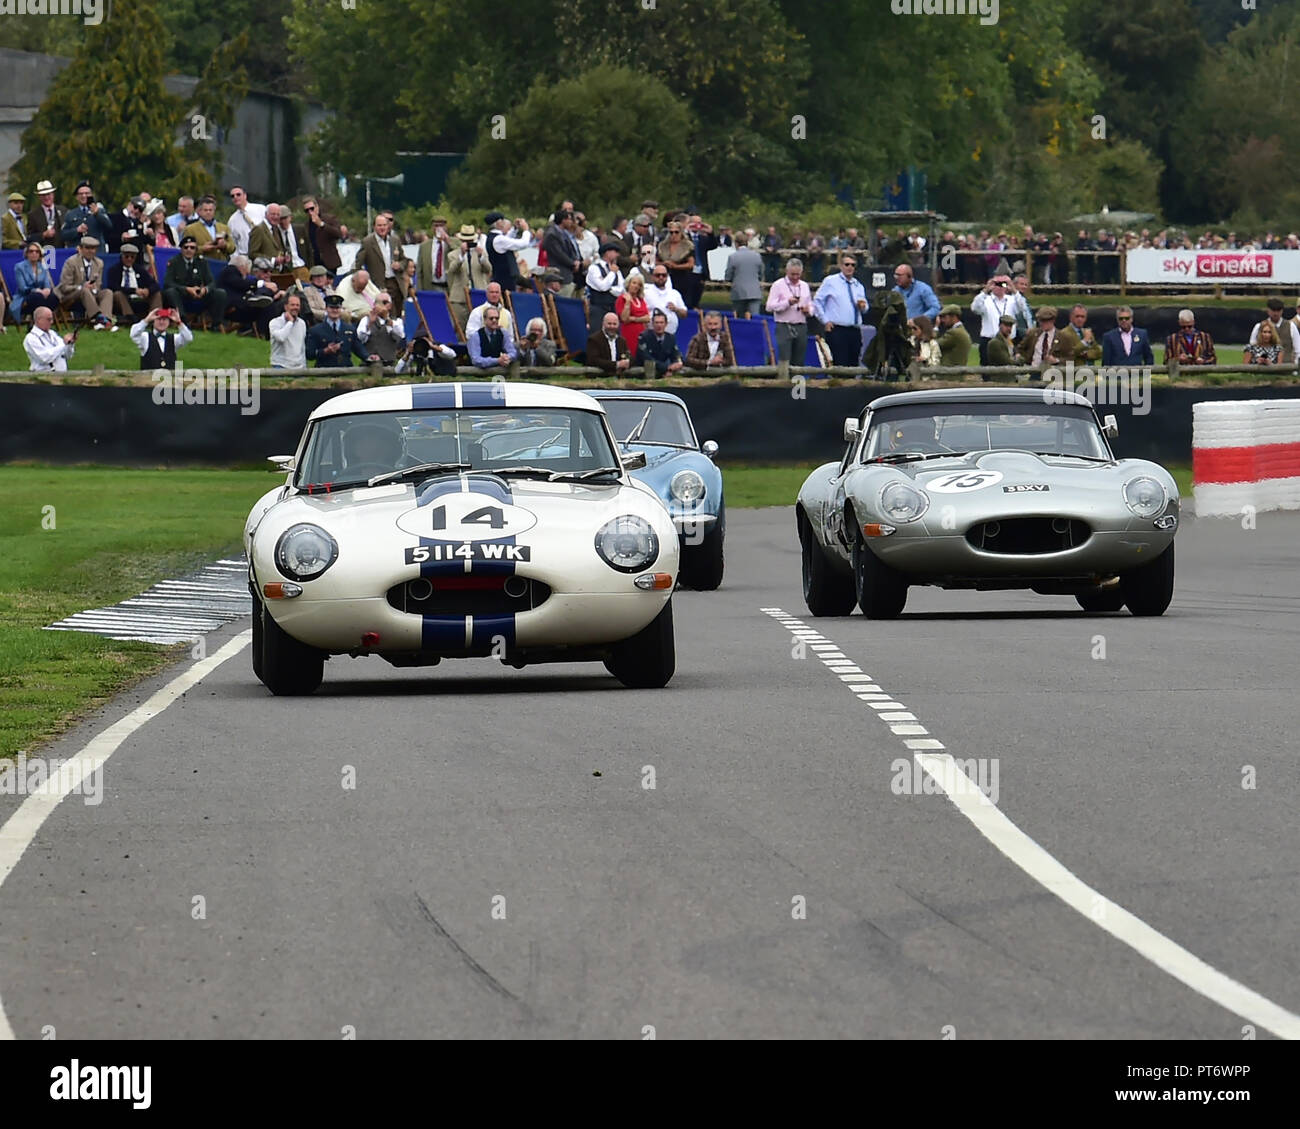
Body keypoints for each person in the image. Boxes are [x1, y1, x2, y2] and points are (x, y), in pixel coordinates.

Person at [812, 253, 869, 367]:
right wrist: (825, 320)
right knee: (839, 363)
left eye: (853, 265)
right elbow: (817, 301)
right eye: (847, 264)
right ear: (841, 266)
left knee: (853, 364)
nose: (850, 267)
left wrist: (864, 307)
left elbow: (865, 307)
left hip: (854, 330)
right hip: (837, 329)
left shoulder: (858, 285)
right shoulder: (831, 281)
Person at [162, 234, 226, 327]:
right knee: (170, 292)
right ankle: (183, 321)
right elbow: (168, 283)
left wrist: (205, 289)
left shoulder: (201, 262)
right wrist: (186, 289)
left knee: (220, 293)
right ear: (181, 249)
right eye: (186, 247)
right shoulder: (174, 262)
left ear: (195, 250)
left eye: (192, 248)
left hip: (199, 295)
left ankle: (216, 324)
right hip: (182, 295)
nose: (189, 250)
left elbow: (211, 282)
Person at [56, 235, 116, 330]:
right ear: (81, 249)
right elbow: (64, 286)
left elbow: (98, 284)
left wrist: (94, 289)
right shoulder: (71, 262)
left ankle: (105, 321)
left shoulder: (99, 263)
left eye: (93, 248)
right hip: (70, 294)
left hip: (90, 294)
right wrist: (81, 287)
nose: (90, 251)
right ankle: (99, 319)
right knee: (84, 290)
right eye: (87, 248)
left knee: (107, 292)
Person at [766, 257, 813, 365]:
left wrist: (808, 310)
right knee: (784, 359)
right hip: (784, 325)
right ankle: (783, 381)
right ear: (787, 272)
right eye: (792, 274)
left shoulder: (805, 286)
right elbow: (769, 307)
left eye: (798, 274)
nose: (795, 277)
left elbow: (811, 304)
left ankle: (797, 381)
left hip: (801, 325)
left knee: (799, 360)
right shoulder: (778, 285)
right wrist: (787, 303)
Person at [446, 223, 491, 331]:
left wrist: (481, 257)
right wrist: (461, 255)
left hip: (478, 294)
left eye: (471, 241)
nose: (468, 244)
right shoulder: (453, 255)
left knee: (480, 326)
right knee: (459, 327)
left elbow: (488, 269)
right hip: (459, 298)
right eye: (466, 241)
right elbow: (452, 270)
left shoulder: (481, 253)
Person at [307, 294, 368, 367]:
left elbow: (359, 349)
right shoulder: (315, 330)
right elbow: (309, 354)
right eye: (332, 308)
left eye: (337, 308)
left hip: (346, 372)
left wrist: (369, 357)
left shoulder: (350, 329)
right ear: (326, 309)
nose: (335, 310)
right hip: (324, 373)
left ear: (341, 309)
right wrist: (325, 351)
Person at [106, 242, 162, 322]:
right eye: (127, 256)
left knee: (157, 294)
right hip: (124, 298)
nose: (129, 259)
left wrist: (148, 290)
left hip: (140, 297)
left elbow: (155, 284)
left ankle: (156, 318)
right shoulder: (114, 270)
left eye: (132, 257)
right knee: (118, 294)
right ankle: (130, 317)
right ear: (122, 256)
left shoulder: (139, 269)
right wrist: (133, 290)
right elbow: (112, 286)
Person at [970, 274, 1017, 364]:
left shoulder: (1012, 300)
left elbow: (1023, 308)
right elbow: (974, 308)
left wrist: (1013, 288)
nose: (1000, 287)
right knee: (987, 370)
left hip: (1008, 339)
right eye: (997, 284)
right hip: (988, 340)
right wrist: (985, 290)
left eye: (1002, 284)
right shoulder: (985, 300)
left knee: (1009, 368)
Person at [10, 241, 58, 324]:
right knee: (37, 296)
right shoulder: (19, 267)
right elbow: (22, 288)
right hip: (25, 296)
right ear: (27, 254)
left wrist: (47, 289)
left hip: (41, 295)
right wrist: (36, 290)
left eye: (37, 251)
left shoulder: (42, 267)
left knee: (53, 297)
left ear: (40, 254)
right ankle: (37, 323)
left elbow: (47, 284)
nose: (34, 253)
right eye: (31, 251)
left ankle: (45, 322)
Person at [483, 212, 532, 292]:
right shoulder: (499, 240)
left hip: (499, 277)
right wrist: (526, 230)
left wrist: (515, 228)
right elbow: (523, 243)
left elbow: (507, 239)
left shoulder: (492, 237)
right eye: (502, 220)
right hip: (506, 280)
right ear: (498, 223)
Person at [586, 241, 626, 333]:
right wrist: (612, 273)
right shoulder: (594, 268)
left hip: (613, 307)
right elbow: (602, 287)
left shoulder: (616, 270)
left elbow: (622, 289)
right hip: (598, 307)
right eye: (615, 252)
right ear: (607, 253)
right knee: (597, 334)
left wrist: (611, 289)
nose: (617, 254)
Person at [356, 293, 406, 366]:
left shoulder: (397, 321)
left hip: (389, 363)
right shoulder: (366, 319)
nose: (381, 305)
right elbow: (360, 339)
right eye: (378, 302)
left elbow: (401, 335)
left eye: (384, 302)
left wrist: (387, 320)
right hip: (369, 364)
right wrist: (369, 324)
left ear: (390, 305)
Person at [60, 181, 114, 248]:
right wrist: (76, 230)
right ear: (77, 197)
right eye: (81, 194)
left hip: (97, 251)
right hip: (78, 252)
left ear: (91, 195)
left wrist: (97, 214)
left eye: (87, 193)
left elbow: (109, 226)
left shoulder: (100, 210)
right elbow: (63, 234)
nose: (84, 196)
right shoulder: (70, 214)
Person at [466, 306, 518, 375]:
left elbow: (512, 351)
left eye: (496, 318)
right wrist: (497, 361)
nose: (494, 320)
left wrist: (507, 357)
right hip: (478, 374)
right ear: (484, 320)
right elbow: (476, 360)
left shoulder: (503, 333)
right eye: (491, 318)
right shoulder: (476, 336)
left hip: (498, 374)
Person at [299, 196, 343, 275]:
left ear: (317, 207)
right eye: (306, 210)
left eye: (312, 208)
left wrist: (322, 225)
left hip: (329, 261)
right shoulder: (306, 225)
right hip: (314, 262)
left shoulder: (329, 219)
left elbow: (338, 234)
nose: (310, 212)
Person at [24, 305, 77, 371]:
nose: (51, 322)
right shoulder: (31, 338)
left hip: (62, 376)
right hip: (42, 377)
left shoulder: (53, 334)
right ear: (39, 320)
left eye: (52, 319)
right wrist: (64, 344)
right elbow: (44, 358)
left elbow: (67, 355)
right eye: (49, 319)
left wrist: (70, 344)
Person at [1247, 298, 1300, 363]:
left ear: (1282, 311)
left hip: (1286, 368)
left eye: (1278, 310)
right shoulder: (1258, 326)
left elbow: (1298, 350)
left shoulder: (1291, 326)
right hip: (1262, 368)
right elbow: (1251, 349)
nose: (1276, 313)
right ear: (1268, 310)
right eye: (1273, 310)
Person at [657, 220, 696, 306]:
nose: (673, 235)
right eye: (671, 232)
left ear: (681, 233)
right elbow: (655, 261)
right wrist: (664, 264)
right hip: (664, 278)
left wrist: (676, 266)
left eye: (676, 232)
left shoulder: (688, 246)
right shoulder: (662, 246)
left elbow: (691, 264)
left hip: (682, 279)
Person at [183, 195, 234, 262]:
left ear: (214, 211)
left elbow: (232, 248)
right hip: (201, 265)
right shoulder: (190, 229)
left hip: (221, 265)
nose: (208, 212)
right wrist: (202, 249)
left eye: (210, 210)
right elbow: (184, 250)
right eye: (205, 210)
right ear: (200, 212)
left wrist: (225, 245)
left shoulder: (224, 228)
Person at [636, 310, 684, 377]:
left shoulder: (670, 338)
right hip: (646, 369)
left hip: (666, 370)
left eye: (661, 323)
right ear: (652, 324)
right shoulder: (644, 337)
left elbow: (676, 354)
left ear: (666, 324)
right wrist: (666, 368)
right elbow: (646, 358)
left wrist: (676, 364)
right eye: (656, 323)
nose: (659, 325)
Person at [725, 237, 764, 318]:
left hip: (739, 291)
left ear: (736, 244)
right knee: (755, 316)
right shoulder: (757, 255)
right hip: (754, 290)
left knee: (740, 317)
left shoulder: (733, 257)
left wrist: (728, 280)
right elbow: (761, 272)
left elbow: (729, 274)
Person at [225, 185, 267, 257]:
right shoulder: (232, 221)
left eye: (238, 194)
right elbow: (234, 243)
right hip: (246, 257)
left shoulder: (261, 209)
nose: (235, 197)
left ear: (245, 196)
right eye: (232, 196)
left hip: (265, 253)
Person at [269, 293, 308, 368]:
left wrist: (304, 366)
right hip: (280, 365)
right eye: (292, 305)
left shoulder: (302, 323)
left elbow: (302, 347)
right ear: (286, 307)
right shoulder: (275, 322)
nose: (295, 307)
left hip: (299, 366)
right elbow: (281, 338)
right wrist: (290, 322)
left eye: (297, 305)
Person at [616, 272, 651, 355]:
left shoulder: (641, 300)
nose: (636, 286)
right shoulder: (622, 299)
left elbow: (647, 318)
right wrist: (628, 303)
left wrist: (634, 318)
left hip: (642, 334)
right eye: (634, 283)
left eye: (639, 284)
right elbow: (624, 319)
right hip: (628, 333)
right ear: (628, 284)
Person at [416, 214, 453, 292]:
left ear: (446, 227)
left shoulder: (453, 242)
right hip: (431, 287)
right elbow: (419, 271)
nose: (438, 229)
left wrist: (448, 241)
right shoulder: (424, 246)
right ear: (432, 228)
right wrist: (419, 291)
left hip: (449, 287)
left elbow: (460, 254)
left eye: (441, 226)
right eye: (436, 226)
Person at [30, 180, 65, 247]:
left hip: (61, 251)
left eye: (48, 194)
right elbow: (30, 237)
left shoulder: (63, 211)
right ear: (39, 197)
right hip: (43, 251)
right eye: (43, 195)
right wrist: (43, 235)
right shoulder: (33, 215)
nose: (46, 197)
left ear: (53, 194)